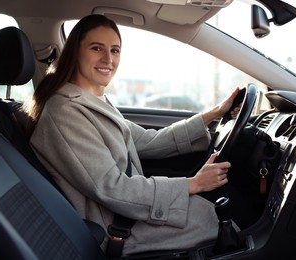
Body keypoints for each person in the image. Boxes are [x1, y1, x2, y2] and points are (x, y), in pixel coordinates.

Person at [25, 14, 247, 256]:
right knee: (225, 225)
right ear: (75, 52)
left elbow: (146, 141)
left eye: (115, 50)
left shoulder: (92, 101)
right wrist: (191, 184)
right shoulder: (65, 112)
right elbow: (111, 188)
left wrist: (214, 114)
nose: (108, 59)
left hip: (129, 211)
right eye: (96, 48)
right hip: (116, 228)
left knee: (223, 207)